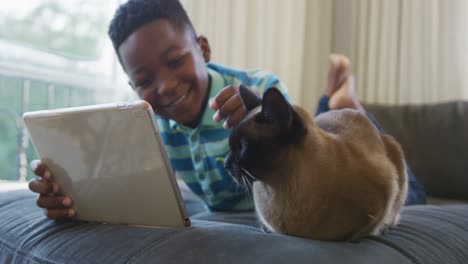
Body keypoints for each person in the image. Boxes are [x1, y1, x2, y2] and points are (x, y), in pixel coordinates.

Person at [28, 0, 425, 220]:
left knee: (409, 194)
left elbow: (303, 156)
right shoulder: (146, 125)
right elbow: (113, 184)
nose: (164, 86)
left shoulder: (259, 90)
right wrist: (69, 191)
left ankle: (342, 103)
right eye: (145, 78)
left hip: (336, 146)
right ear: (133, 87)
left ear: (202, 50)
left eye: (175, 60)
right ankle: (334, 100)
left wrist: (254, 124)